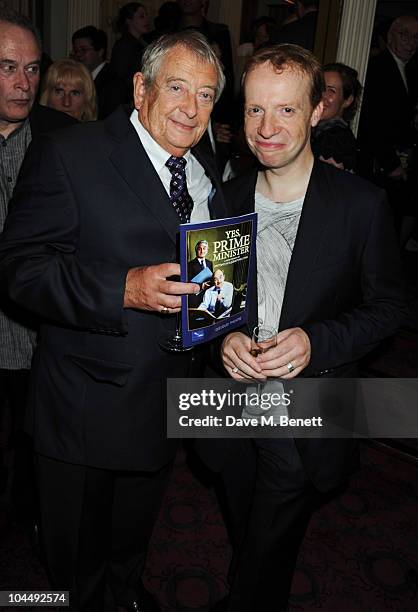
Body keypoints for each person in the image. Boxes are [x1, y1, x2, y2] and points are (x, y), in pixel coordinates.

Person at [0, 30, 226, 612]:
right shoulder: (73, 152)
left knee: (132, 544)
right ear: (140, 86)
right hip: (85, 407)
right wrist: (121, 289)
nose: (190, 108)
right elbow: (20, 269)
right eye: (176, 88)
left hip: (167, 401)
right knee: (74, 565)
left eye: (205, 96)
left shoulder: (203, 165)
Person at [215, 43, 405, 612]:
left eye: (286, 110)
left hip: (309, 409)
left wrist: (315, 340)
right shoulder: (223, 200)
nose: (266, 127)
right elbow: (213, 303)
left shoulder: (360, 205)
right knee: (243, 517)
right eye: (254, 110)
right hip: (224, 406)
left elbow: (389, 308)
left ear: (318, 109)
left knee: (270, 538)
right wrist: (223, 336)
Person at [0, 9, 75, 525]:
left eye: (31, 69)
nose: (23, 83)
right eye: (7, 67)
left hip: (39, 338)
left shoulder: (66, 139)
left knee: (34, 462)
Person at [358, 15, 418, 239]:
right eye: (405, 35)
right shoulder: (378, 68)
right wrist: (391, 164)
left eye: (416, 37)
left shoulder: (408, 70)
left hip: (398, 161)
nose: (411, 42)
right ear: (391, 35)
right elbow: (372, 122)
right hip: (382, 164)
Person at [311, 62, 362, 172]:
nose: (322, 95)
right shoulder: (316, 131)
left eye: (331, 90)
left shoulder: (335, 139)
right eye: (320, 87)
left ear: (347, 101)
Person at [72, 25, 126, 119]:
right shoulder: (77, 79)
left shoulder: (113, 82)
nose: (78, 55)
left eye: (83, 50)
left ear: (100, 52)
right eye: (76, 51)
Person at [110, 2, 150, 101]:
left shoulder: (142, 43)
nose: (146, 19)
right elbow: (122, 79)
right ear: (129, 20)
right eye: (141, 16)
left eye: (146, 15)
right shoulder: (124, 45)